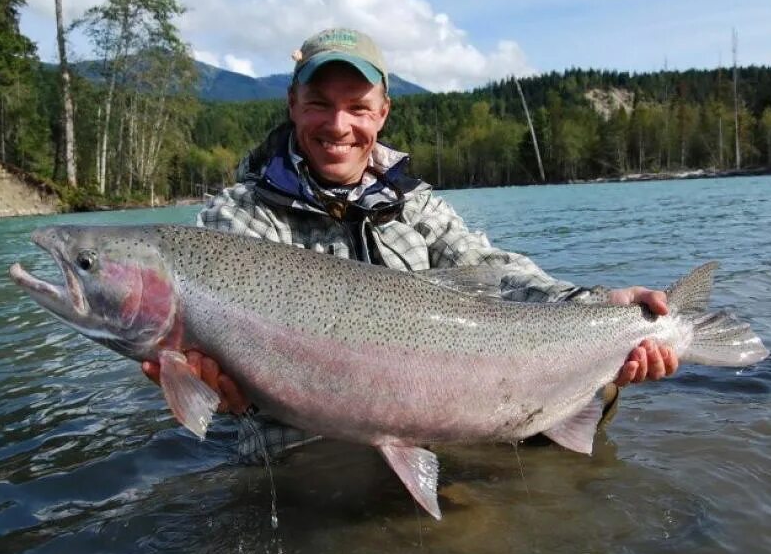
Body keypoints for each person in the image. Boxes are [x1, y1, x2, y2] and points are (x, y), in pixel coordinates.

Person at [143, 28, 678, 457]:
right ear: (292, 104)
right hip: (306, 451)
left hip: (429, 425)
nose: (339, 124)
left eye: (358, 106)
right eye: (319, 104)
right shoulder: (239, 219)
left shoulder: (413, 203)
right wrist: (203, 378)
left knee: (590, 404)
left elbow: (497, 272)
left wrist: (599, 304)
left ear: (382, 113)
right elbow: (211, 348)